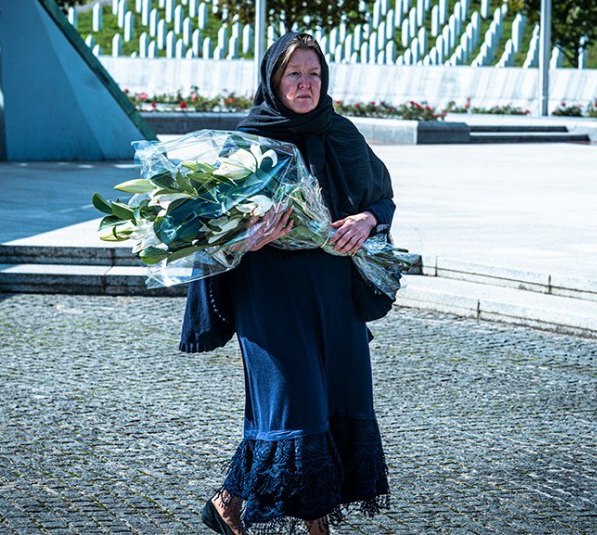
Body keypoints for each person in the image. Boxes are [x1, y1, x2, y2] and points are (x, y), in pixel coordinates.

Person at [180, 31, 395, 534]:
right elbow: (211, 231)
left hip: (335, 295)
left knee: (332, 401)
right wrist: (248, 238)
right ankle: (318, 529)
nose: (306, 83)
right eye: (294, 73)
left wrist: (366, 219)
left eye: (314, 73)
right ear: (274, 81)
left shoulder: (342, 133)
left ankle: (228, 504)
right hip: (270, 297)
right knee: (296, 405)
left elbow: (382, 198)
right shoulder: (247, 142)